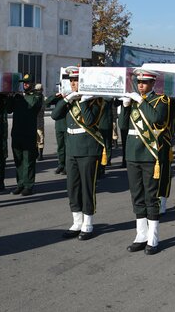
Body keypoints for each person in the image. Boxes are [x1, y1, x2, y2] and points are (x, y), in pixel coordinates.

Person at [121, 69, 171, 255]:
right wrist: (125, 107)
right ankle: (140, 235)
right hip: (132, 154)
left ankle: (153, 237)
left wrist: (140, 101)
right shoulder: (134, 101)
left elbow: (156, 119)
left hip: (149, 154)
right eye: (139, 82)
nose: (140, 85)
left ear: (152, 84)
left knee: (151, 197)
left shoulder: (161, 100)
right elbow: (123, 126)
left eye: (144, 82)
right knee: (137, 195)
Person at [51, 66, 104, 241]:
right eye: (72, 81)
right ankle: (76, 221)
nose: (74, 84)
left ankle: (88, 222)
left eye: (77, 81)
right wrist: (68, 100)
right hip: (72, 148)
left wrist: (82, 101)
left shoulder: (95, 101)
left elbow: (89, 121)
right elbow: (55, 115)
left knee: (87, 187)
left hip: (88, 148)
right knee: (72, 187)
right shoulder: (69, 100)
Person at [6, 74, 43, 196]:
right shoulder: (18, 96)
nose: (25, 85)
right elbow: (8, 109)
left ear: (32, 83)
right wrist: (10, 96)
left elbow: (31, 106)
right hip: (17, 132)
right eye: (24, 83)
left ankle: (28, 185)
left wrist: (20, 96)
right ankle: (20, 184)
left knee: (28, 161)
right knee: (18, 160)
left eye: (27, 83)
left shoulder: (37, 96)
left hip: (28, 134)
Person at [45, 91, 67, 175]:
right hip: (59, 125)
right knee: (60, 147)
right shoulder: (59, 97)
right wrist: (55, 95)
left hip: (67, 125)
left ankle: (66, 167)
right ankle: (61, 164)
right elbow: (47, 102)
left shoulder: (71, 97)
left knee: (67, 147)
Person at [35, 83, 45, 161]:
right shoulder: (35, 97)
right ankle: (36, 153)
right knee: (35, 137)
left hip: (39, 119)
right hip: (33, 120)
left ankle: (40, 154)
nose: (38, 91)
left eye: (39, 90)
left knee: (40, 137)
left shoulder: (42, 98)